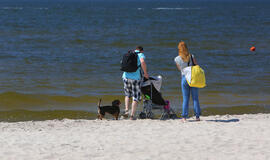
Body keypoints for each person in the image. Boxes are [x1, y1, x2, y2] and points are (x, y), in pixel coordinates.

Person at [174, 41, 201, 121]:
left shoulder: (177, 59)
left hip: (184, 78)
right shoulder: (191, 56)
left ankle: (184, 117)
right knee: (195, 98)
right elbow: (197, 66)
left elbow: (179, 69)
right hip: (193, 78)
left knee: (185, 98)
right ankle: (197, 116)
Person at [122, 46, 149, 120]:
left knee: (127, 95)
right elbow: (142, 62)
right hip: (135, 78)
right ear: (142, 51)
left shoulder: (129, 54)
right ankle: (132, 116)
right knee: (136, 97)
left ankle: (126, 111)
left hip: (125, 77)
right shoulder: (140, 54)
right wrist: (145, 73)